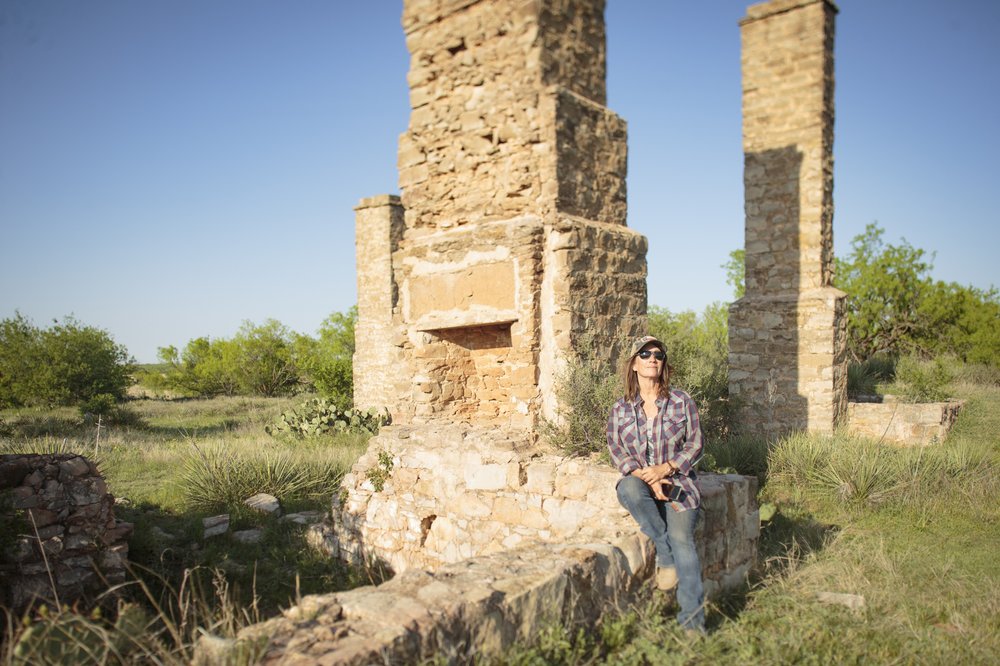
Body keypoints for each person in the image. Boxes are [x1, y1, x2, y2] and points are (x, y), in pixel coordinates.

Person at [606, 335, 706, 633]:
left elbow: (696, 443)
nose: (653, 358)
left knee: (683, 542)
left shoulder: (681, 401)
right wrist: (645, 476)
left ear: (663, 364)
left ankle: (692, 625)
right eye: (645, 353)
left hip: (679, 485)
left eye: (658, 355)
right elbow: (615, 447)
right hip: (641, 483)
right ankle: (663, 553)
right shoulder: (620, 409)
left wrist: (666, 469)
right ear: (634, 364)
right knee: (627, 488)